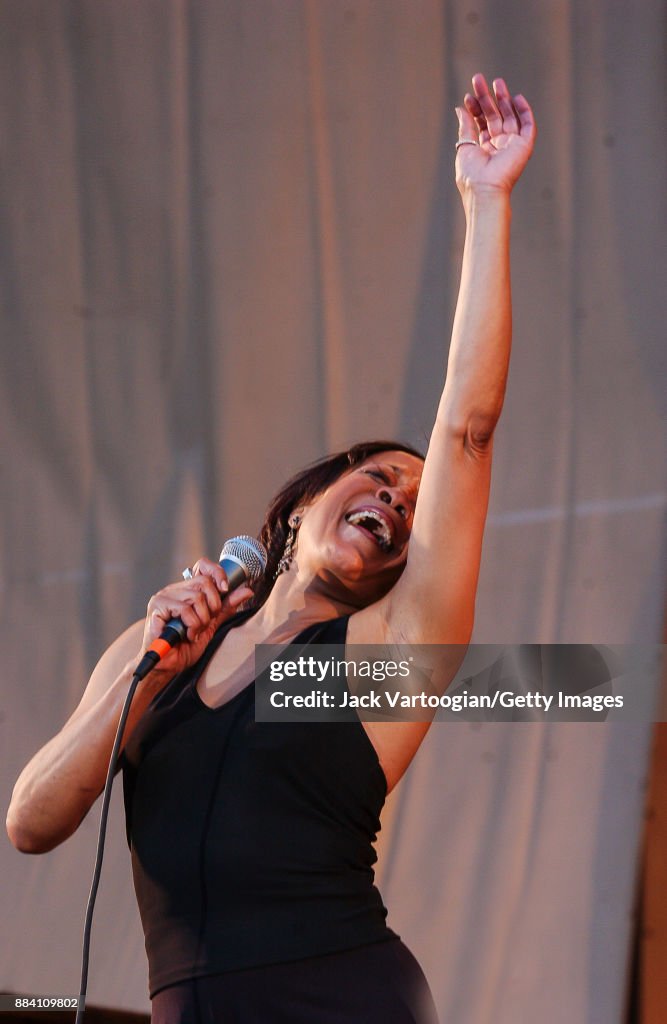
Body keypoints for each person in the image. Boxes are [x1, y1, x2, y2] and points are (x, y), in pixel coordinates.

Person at [7, 74, 536, 1023]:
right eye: (377, 478)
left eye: (414, 508)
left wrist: (485, 200)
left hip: (344, 994)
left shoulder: (382, 655)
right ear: (298, 508)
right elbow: (31, 825)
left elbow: (467, 430)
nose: (396, 501)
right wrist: (148, 673)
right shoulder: (158, 646)